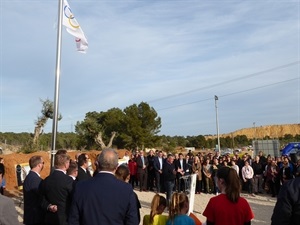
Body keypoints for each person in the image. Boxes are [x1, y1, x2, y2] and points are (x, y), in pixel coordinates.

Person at [68, 148, 138, 225]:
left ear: (97, 164)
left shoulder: (81, 186)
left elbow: (73, 219)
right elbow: (132, 221)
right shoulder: (126, 189)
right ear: (117, 167)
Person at [39, 153, 74, 225]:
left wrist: (49, 206)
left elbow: (41, 199)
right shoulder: (69, 181)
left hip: (49, 219)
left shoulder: (46, 180)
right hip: (65, 219)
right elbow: (75, 199)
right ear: (66, 164)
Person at [23, 155, 51, 225]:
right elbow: (43, 194)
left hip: (32, 217)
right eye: (43, 163)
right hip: (35, 218)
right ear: (39, 165)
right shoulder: (35, 179)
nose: (43, 165)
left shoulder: (30, 177)